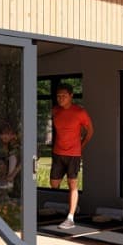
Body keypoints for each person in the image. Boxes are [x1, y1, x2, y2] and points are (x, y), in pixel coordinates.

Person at [49, 84, 92, 229]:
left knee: (72, 185)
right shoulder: (55, 111)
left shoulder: (80, 112)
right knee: (54, 184)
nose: (60, 98)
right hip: (57, 152)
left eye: (64, 96)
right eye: (58, 96)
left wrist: (81, 146)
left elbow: (90, 131)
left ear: (71, 96)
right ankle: (73, 206)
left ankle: (70, 217)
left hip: (73, 154)